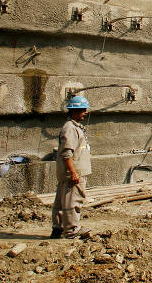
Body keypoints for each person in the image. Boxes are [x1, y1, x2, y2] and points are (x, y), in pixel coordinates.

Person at [51, 95, 92, 239]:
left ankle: (58, 228)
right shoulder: (70, 129)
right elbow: (67, 153)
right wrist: (73, 172)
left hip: (70, 172)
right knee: (72, 201)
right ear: (75, 111)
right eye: (82, 110)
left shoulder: (72, 127)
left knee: (62, 201)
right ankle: (71, 231)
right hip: (73, 173)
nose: (85, 113)